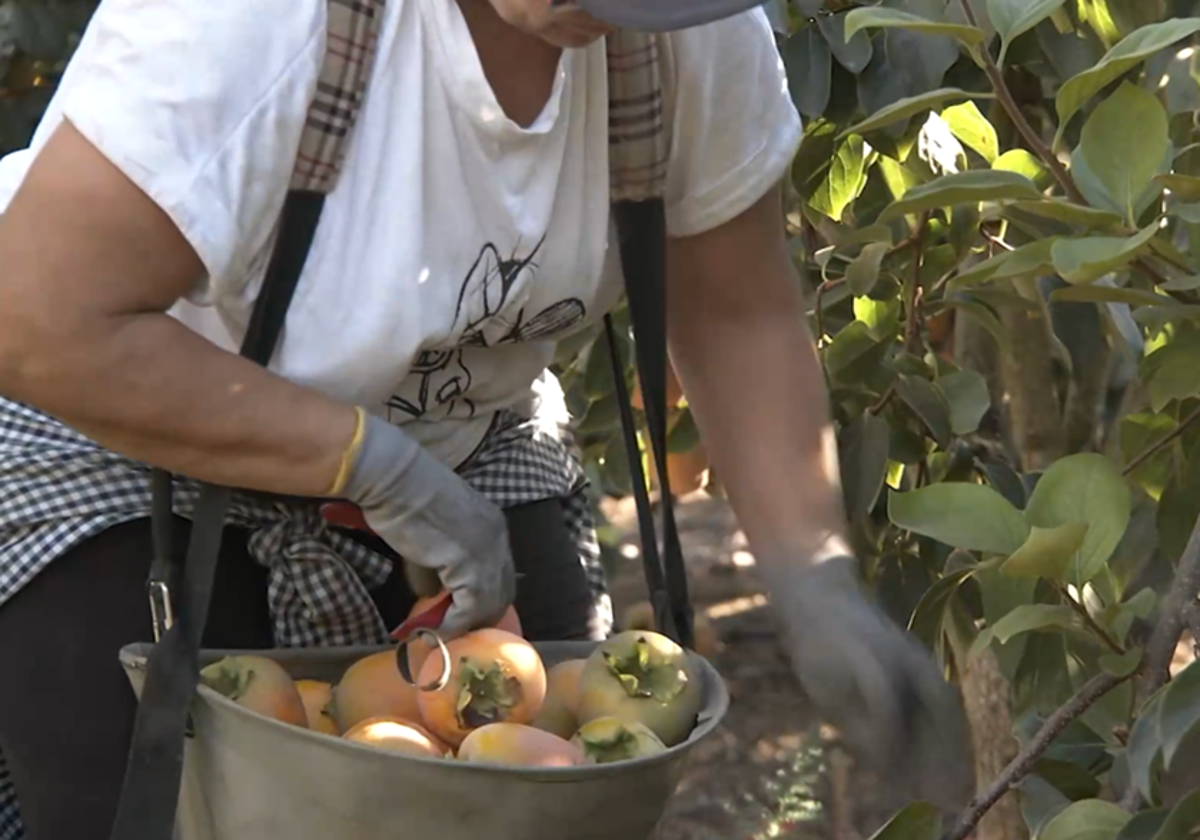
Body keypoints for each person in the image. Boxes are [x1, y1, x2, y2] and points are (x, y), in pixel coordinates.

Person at [0, 0, 970, 837]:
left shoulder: (681, 39)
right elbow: (39, 323)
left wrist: (815, 576)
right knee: (158, 805)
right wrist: (371, 466)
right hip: (119, 416)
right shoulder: (257, 26)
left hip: (464, 425)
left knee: (542, 800)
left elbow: (734, 307)